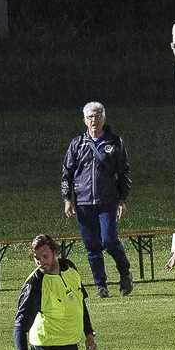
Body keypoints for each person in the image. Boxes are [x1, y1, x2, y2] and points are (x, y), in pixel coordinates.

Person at [60, 101, 133, 298]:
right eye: (90, 117)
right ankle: (101, 285)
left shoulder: (115, 142)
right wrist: (67, 199)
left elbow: (123, 172)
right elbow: (67, 173)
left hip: (107, 201)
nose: (94, 120)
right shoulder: (77, 144)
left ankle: (125, 272)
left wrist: (122, 199)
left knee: (109, 240)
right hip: (83, 202)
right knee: (92, 245)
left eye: (97, 116)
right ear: (84, 120)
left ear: (104, 118)